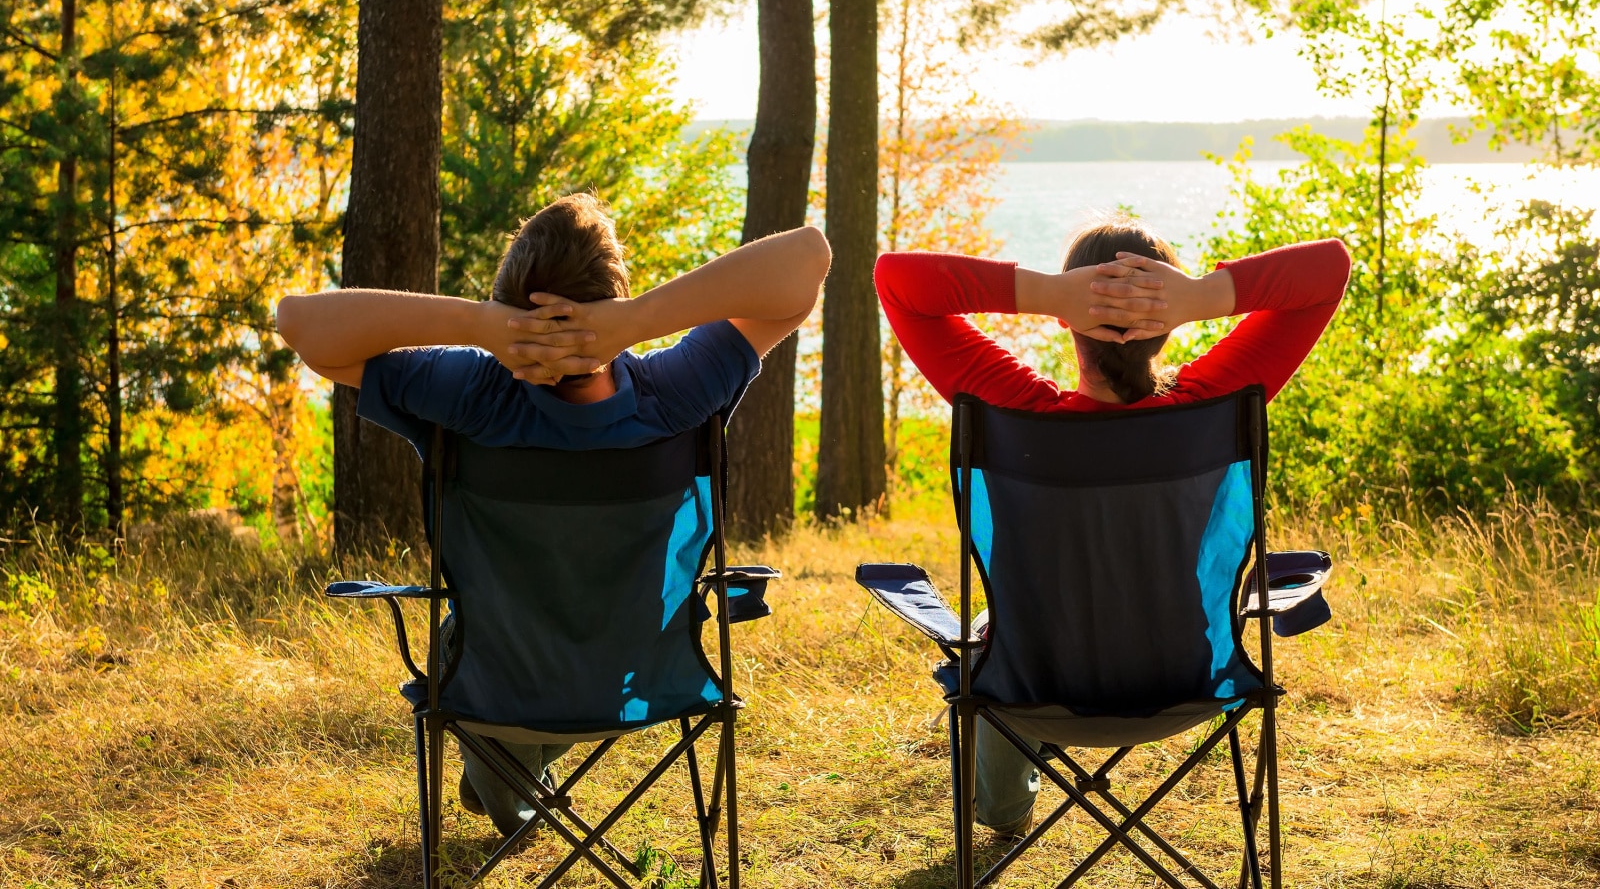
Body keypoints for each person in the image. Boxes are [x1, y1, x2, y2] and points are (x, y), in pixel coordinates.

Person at [276, 193, 831, 838]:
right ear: (612, 298)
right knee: (568, 656)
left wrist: (483, 328)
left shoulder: (471, 397)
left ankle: (508, 772)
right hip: (641, 671)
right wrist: (640, 321)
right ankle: (514, 771)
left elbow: (300, 326)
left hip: (493, 683)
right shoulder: (676, 392)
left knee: (483, 654)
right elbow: (806, 264)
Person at [873, 215, 1351, 839]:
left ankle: (1003, 813)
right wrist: (1202, 296)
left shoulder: (1013, 409)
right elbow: (1328, 268)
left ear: (1072, 323)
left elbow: (897, 281)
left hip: (1031, 687)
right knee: (1007, 630)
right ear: (1164, 324)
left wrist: (1046, 294)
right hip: (1187, 683)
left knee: (995, 633)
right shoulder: (1211, 403)